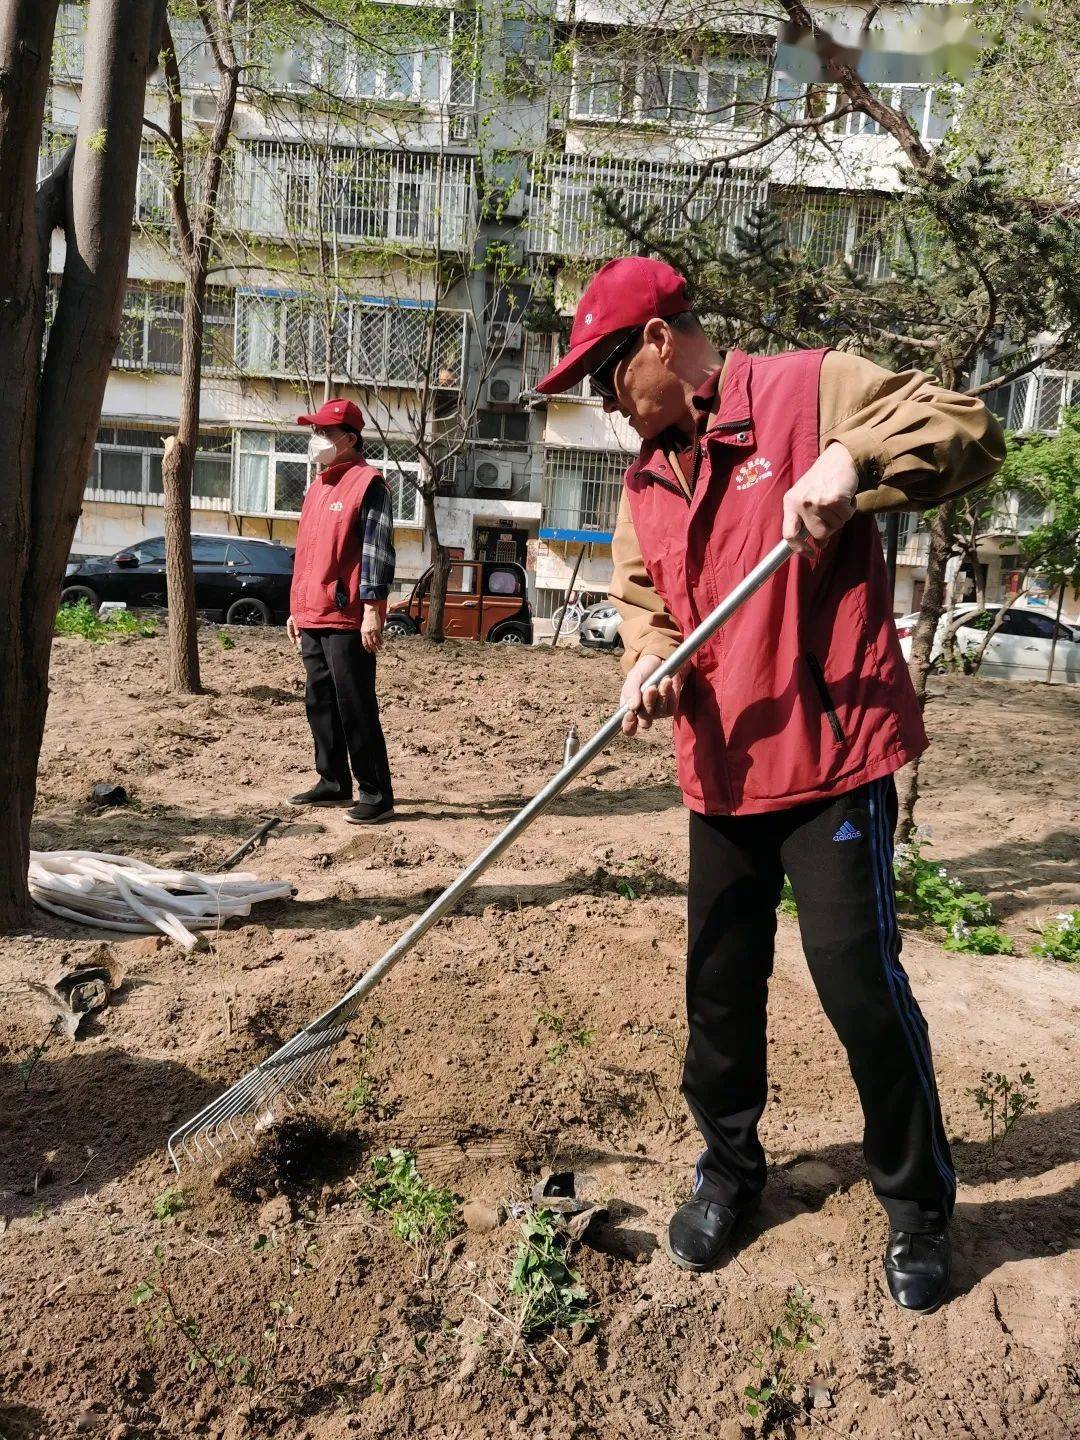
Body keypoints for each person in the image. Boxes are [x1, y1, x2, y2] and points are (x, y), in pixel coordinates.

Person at [535, 257, 1006, 1313]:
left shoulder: (806, 388)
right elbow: (645, 593)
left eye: (605, 377)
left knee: (858, 988)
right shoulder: (649, 472)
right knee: (718, 986)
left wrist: (851, 459)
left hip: (830, 761)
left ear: (658, 340)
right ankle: (730, 1169)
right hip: (721, 765)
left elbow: (967, 425)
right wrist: (642, 662)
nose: (604, 404)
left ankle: (920, 1202)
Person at [286, 398, 396, 825]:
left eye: (324, 434)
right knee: (319, 700)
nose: (316, 442)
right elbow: (306, 556)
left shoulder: (369, 484)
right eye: (314, 433)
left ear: (349, 439)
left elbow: (377, 551)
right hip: (312, 612)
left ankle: (376, 792)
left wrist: (373, 608)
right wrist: (296, 608)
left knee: (355, 704)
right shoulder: (317, 487)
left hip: (348, 615)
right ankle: (332, 780)